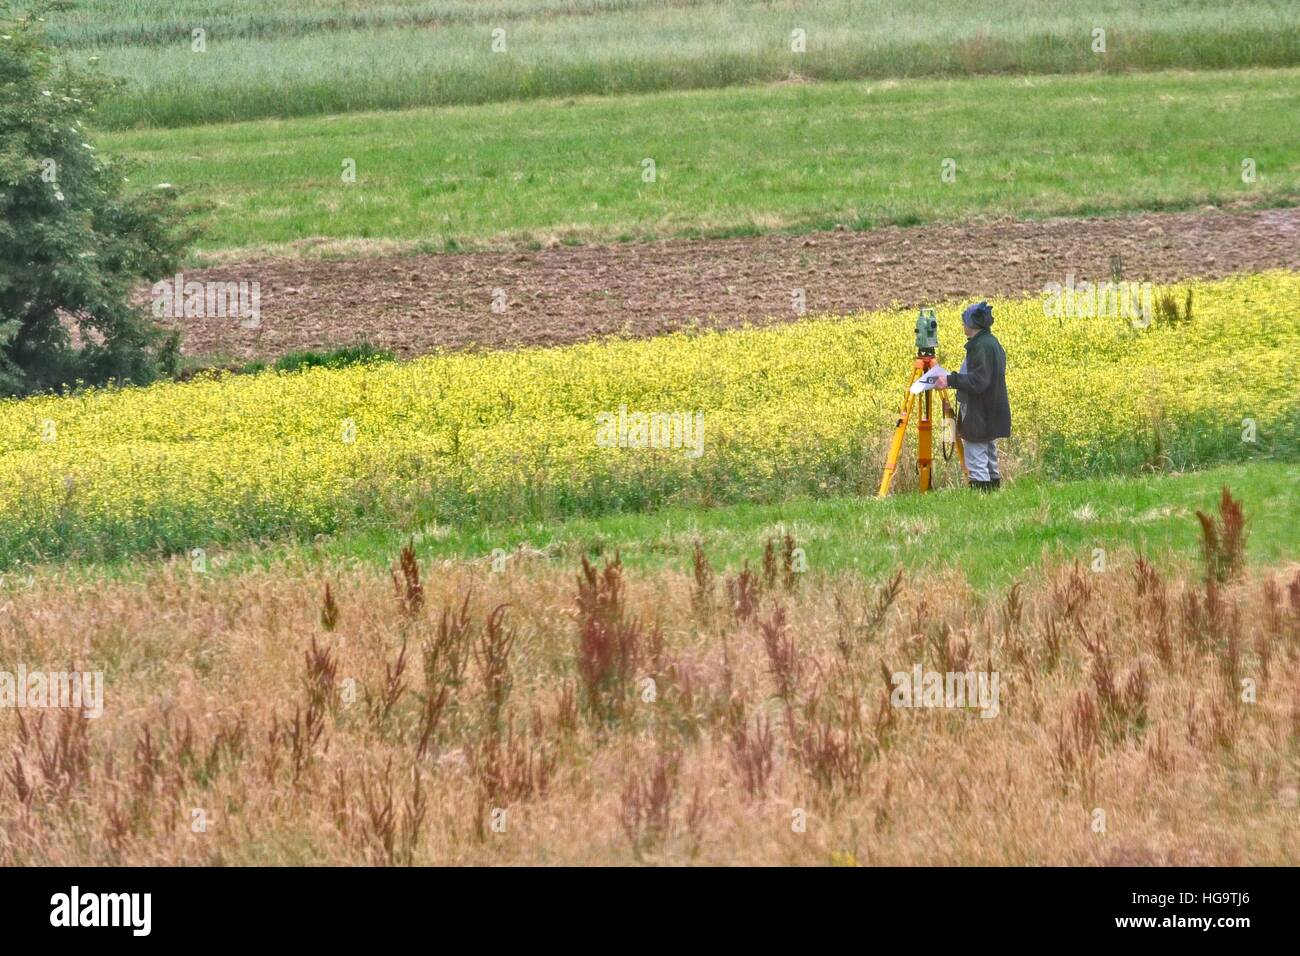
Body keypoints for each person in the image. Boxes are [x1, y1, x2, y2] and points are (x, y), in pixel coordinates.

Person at [933, 301, 1010, 490]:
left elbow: (979, 381)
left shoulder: (980, 346)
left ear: (972, 324)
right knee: (989, 454)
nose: (963, 325)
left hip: (979, 412)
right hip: (991, 409)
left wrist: (950, 380)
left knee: (976, 456)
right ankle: (993, 496)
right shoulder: (991, 342)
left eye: (964, 322)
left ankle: (982, 500)